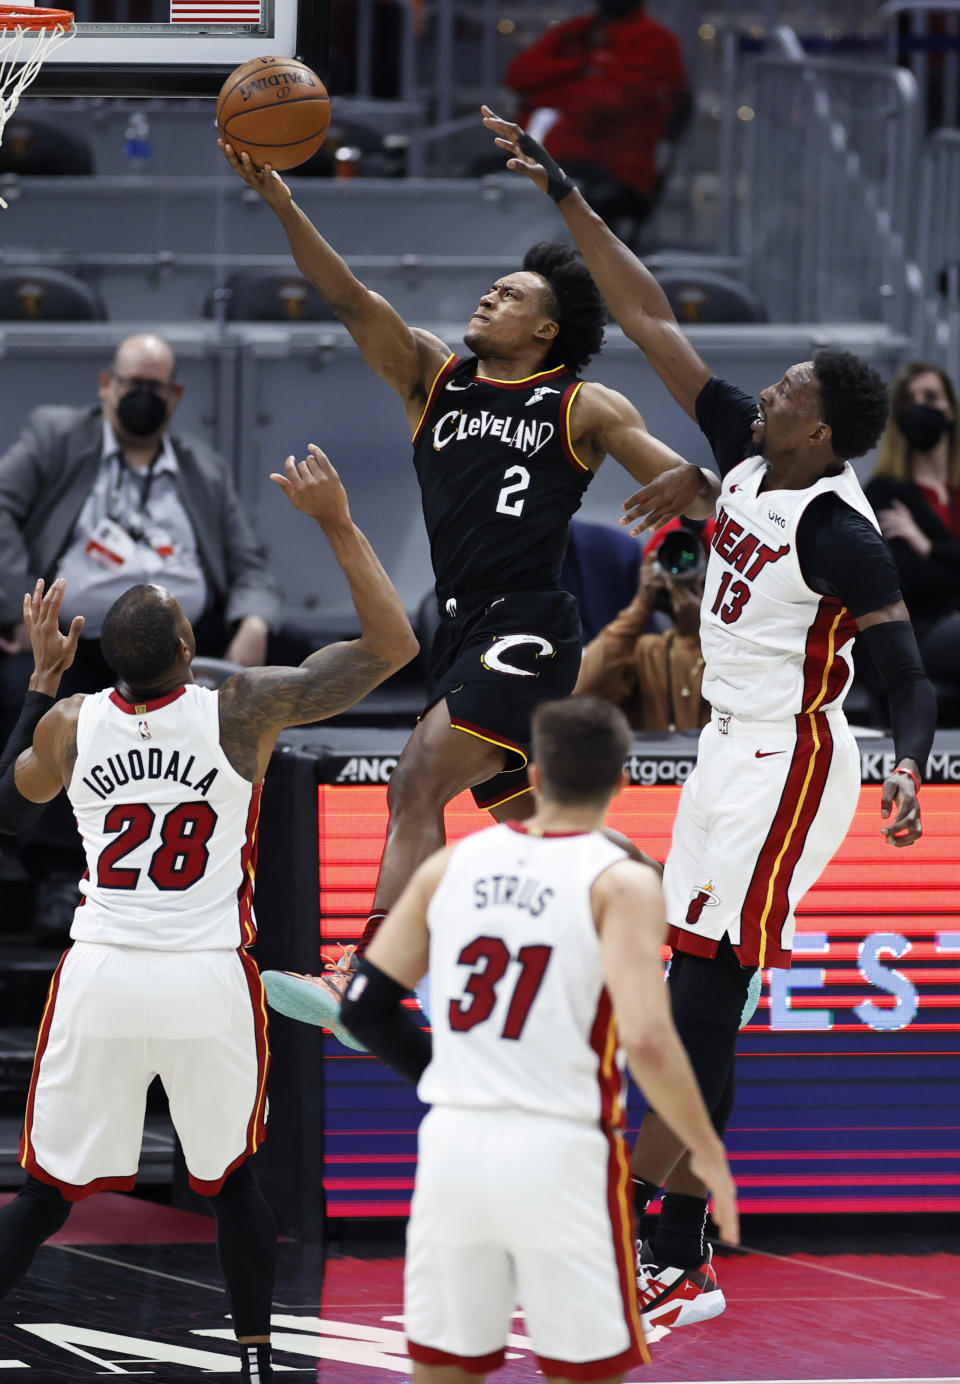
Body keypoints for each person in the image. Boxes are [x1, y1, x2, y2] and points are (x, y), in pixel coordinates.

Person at [481, 106, 938, 1326]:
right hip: (722, 752)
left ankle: (673, 1252)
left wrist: (908, 764)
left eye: (788, 386)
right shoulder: (744, 446)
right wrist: (567, 190)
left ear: (821, 431)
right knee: (686, 992)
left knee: (700, 997)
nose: (765, 385)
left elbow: (905, 675)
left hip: (791, 760)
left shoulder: (843, 532)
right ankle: (674, 1246)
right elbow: (646, 318)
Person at [221, 140, 719, 1043]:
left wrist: (695, 482)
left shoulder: (583, 404)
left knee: (416, 778)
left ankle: (365, 978)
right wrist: (283, 203)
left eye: (514, 294)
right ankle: (695, 951)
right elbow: (347, 297)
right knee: (546, 831)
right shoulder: (431, 378)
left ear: (545, 331)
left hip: (528, 625)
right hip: (460, 629)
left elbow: (690, 485)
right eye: (493, 288)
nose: (492, 296)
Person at [0, 447, 418, 1384]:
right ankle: (257, 1358)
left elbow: (8, 809)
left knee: (44, 1192)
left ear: (107, 656)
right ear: (192, 650)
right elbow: (393, 650)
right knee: (229, 1182)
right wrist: (339, 523)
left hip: (102, 969)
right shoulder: (243, 709)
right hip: (205, 975)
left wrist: (38, 683)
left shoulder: (70, 724)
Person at [336, 696, 739, 1381]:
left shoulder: (447, 868)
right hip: (564, 1153)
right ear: (620, 782)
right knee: (583, 1371)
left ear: (535, 775)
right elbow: (646, 1039)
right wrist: (706, 1155)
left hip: (457, 1148)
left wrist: (451, 1077)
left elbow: (365, 1009)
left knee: (446, 1369)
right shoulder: (624, 882)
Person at [0, 332, 288, 942]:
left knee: (254, 689)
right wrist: (21, 605)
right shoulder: (57, 436)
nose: (143, 395)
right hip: (76, 642)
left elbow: (251, 560)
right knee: (21, 692)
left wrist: (255, 618)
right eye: (133, 383)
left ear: (177, 395)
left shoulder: (201, 467)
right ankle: (56, 871)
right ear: (107, 384)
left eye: (156, 387)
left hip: (180, 648)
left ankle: (214, 865)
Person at [505, 0, 690, 241]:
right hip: (543, 162)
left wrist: (544, 94)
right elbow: (518, 76)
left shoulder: (656, 41)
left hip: (607, 171)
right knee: (472, 186)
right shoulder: (575, 33)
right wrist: (581, 67)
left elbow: (605, 103)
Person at [865, 361, 960, 694]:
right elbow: (908, 581)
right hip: (918, 633)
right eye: (910, 400)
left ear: (950, 409)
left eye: (931, 397)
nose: (920, 407)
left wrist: (928, 547)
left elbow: (930, 570)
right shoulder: (885, 492)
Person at [576, 519, 711, 731]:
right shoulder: (647, 653)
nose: (687, 573)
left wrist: (704, 632)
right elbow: (581, 692)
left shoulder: (746, 648)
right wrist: (640, 606)